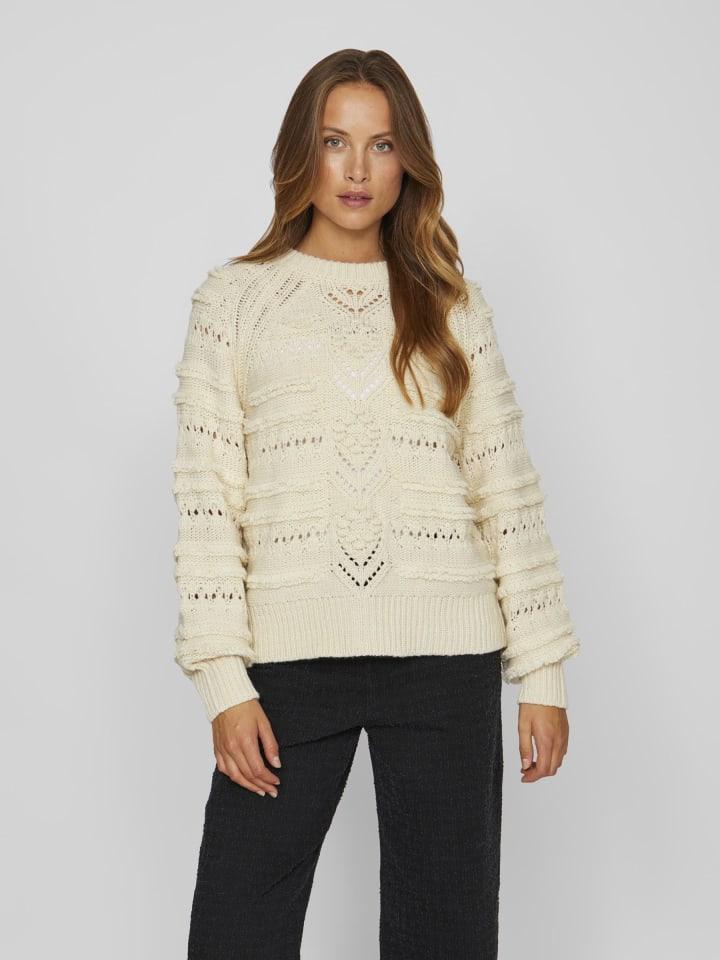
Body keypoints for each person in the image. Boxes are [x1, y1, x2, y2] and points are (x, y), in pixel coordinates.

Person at [171, 48, 580, 960]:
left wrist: (543, 673)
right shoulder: (234, 302)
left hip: (446, 656)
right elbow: (207, 505)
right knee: (236, 928)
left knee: (446, 934)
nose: (357, 169)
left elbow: (505, 489)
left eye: (382, 144)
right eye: (334, 142)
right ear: (301, 154)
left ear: (409, 162)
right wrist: (223, 682)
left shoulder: (452, 305)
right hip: (288, 662)